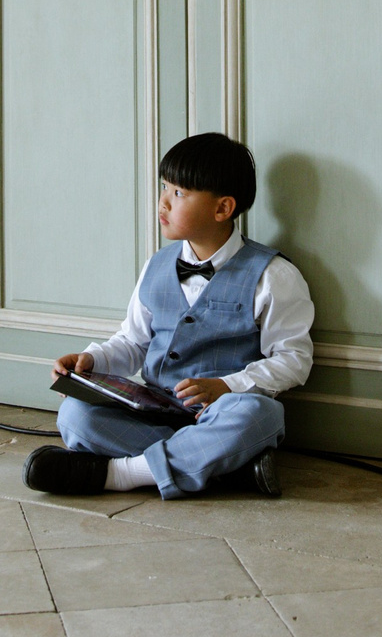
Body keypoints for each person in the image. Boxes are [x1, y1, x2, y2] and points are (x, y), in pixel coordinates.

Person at [22, 132, 313, 499]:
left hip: (218, 414)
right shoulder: (155, 267)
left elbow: (293, 360)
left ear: (222, 208)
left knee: (261, 416)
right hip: (154, 411)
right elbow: (133, 342)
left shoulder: (273, 276)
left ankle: (116, 474)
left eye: (179, 193)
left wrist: (227, 386)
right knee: (75, 414)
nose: (162, 202)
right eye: (164, 186)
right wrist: (92, 359)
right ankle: (224, 466)